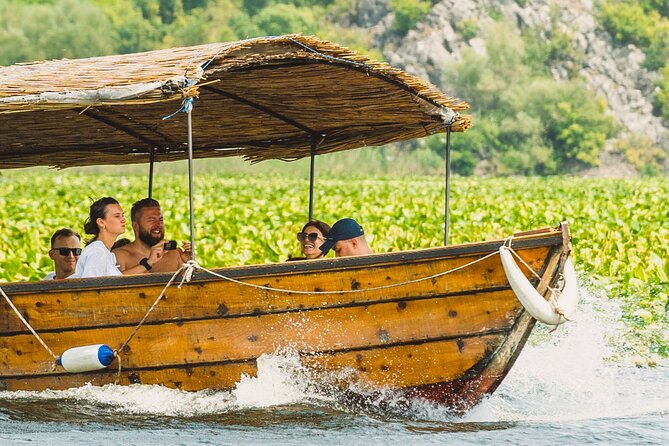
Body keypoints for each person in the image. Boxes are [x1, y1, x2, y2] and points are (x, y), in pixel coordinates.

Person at [74, 197, 165, 278]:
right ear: (101, 222)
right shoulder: (97, 252)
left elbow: (118, 279)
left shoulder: (104, 252)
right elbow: (90, 290)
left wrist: (149, 262)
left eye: (123, 215)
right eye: (117, 216)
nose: (123, 220)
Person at [114, 198, 191, 273]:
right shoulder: (120, 256)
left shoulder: (175, 254)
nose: (158, 224)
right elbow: (114, 282)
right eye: (151, 220)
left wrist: (189, 262)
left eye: (161, 220)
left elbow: (193, 284)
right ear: (135, 226)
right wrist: (148, 263)